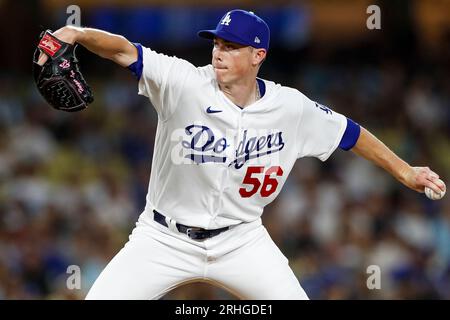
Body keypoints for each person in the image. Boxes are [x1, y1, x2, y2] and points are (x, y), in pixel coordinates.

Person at [37, 9, 446, 300]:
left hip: (241, 241)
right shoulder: (183, 82)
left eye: (232, 46)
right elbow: (124, 50)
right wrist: (77, 36)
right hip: (162, 239)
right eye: (217, 43)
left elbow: (350, 133)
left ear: (258, 56)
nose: (218, 52)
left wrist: (405, 170)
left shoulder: (290, 108)